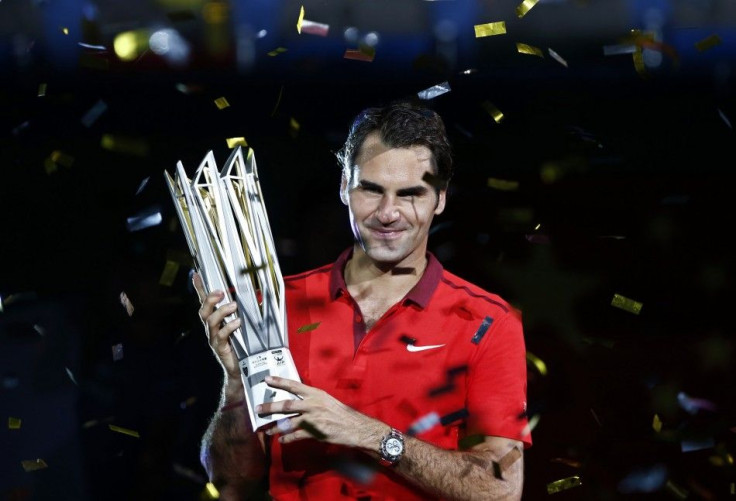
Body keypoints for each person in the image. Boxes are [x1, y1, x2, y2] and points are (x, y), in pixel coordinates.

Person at [194, 99, 531, 500]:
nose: (387, 214)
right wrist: (235, 382)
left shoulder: (487, 321)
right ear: (343, 187)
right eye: (370, 190)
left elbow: (501, 490)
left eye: (410, 194)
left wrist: (368, 434)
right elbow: (230, 482)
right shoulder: (280, 302)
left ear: (439, 199)